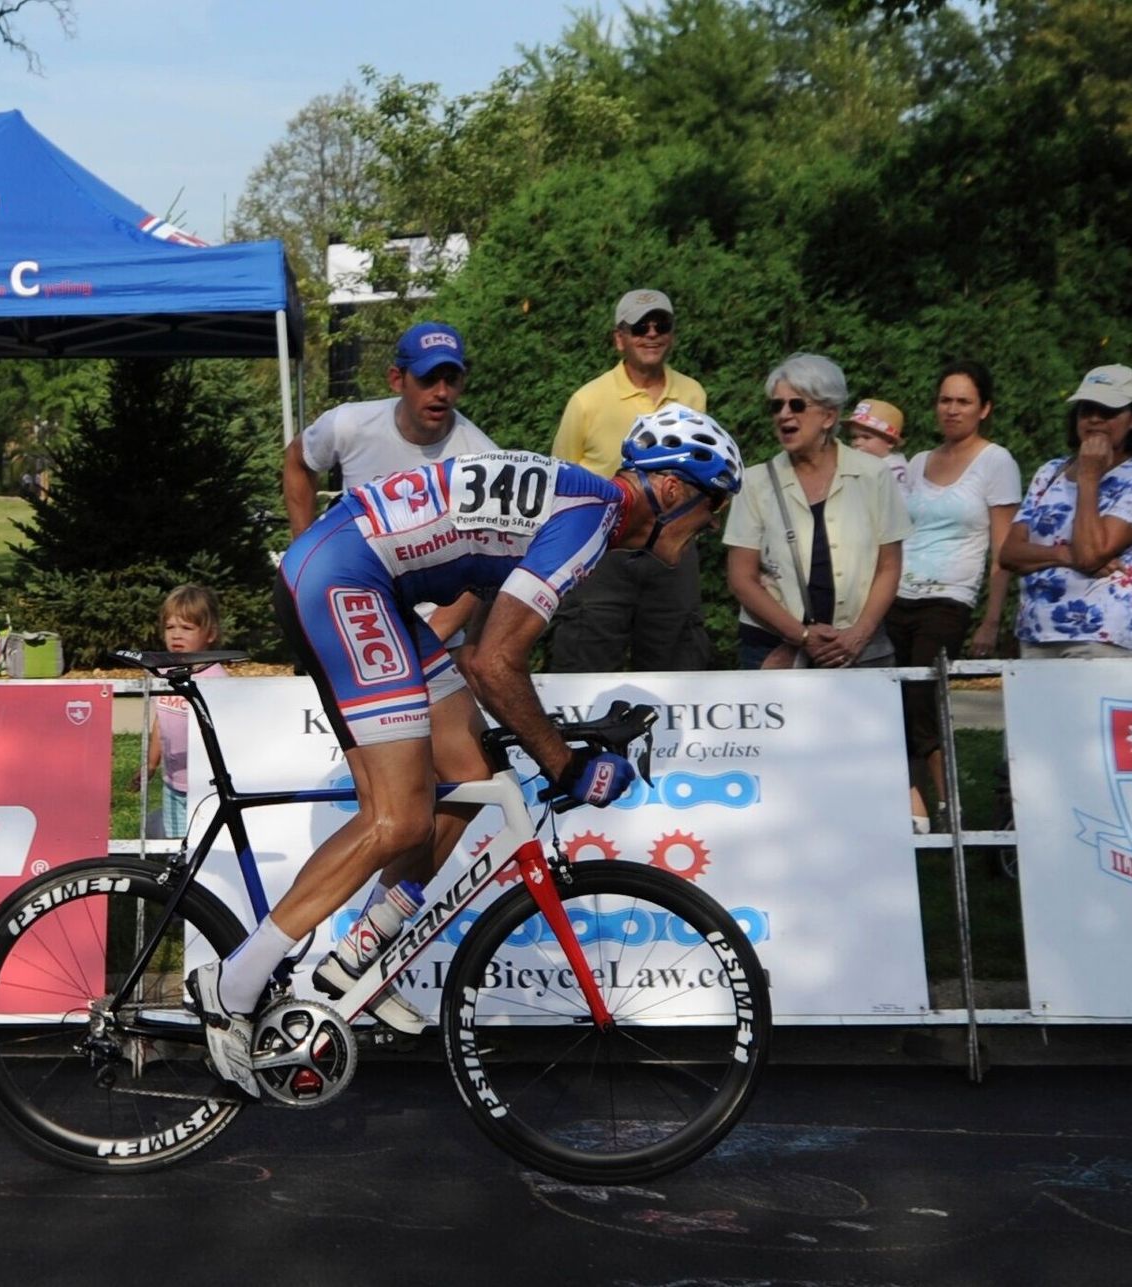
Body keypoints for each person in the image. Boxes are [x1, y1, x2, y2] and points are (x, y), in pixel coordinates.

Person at [187, 409, 745, 1095]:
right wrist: (565, 764)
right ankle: (232, 984)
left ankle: (357, 959)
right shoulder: (591, 520)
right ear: (672, 490)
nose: (710, 525)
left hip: (363, 578)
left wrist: (551, 741)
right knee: (398, 819)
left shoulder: (583, 504)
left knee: (472, 770)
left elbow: (476, 610)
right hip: (346, 579)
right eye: (712, 507)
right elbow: (492, 662)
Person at [546, 288, 713, 673]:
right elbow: (560, 483)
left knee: (676, 671)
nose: (651, 334)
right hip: (602, 552)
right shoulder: (587, 401)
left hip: (671, 550)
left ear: (672, 334)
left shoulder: (692, 395)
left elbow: (702, 473)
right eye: (640, 327)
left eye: (661, 325)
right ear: (619, 338)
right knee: (584, 667)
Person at [884, 363, 1022, 830]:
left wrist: (991, 620)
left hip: (949, 599)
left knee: (923, 700)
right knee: (892, 700)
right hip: (898, 595)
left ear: (984, 409)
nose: (952, 409)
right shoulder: (919, 461)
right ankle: (910, 806)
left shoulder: (996, 462)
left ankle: (949, 807)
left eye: (964, 401)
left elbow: (1003, 550)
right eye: (945, 399)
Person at [724, 353, 909, 669]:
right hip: (773, 650)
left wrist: (859, 634)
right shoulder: (754, 482)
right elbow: (742, 578)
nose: (784, 414)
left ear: (828, 416)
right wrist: (802, 635)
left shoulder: (874, 475)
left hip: (860, 650)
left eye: (796, 405)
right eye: (776, 406)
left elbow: (889, 567)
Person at [1000, 364, 1132, 658]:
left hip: (1099, 635)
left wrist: (1089, 476)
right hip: (1035, 632)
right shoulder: (1050, 471)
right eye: (1086, 409)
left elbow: (1091, 554)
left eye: (1108, 411)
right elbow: (1010, 553)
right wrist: (1065, 555)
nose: (1095, 419)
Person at [281, 321, 498, 539]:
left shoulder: (484, 462)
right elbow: (297, 459)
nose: (442, 392)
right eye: (428, 379)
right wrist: (304, 547)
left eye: (451, 380)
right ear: (396, 380)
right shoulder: (349, 425)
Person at [144, 584, 229, 838]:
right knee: (175, 842)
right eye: (170, 627)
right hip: (172, 783)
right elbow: (161, 721)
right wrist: (150, 764)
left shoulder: (215, 679)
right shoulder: (163, 674)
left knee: (201, 841)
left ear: (210, 634)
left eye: (187, 628)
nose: (176, 635)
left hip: (205, 785)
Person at [844, 398, 910, 493]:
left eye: (866, 437)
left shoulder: (893, 470)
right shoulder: (859, 461)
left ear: (890, 442)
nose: (858, 442)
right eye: (854, 437)